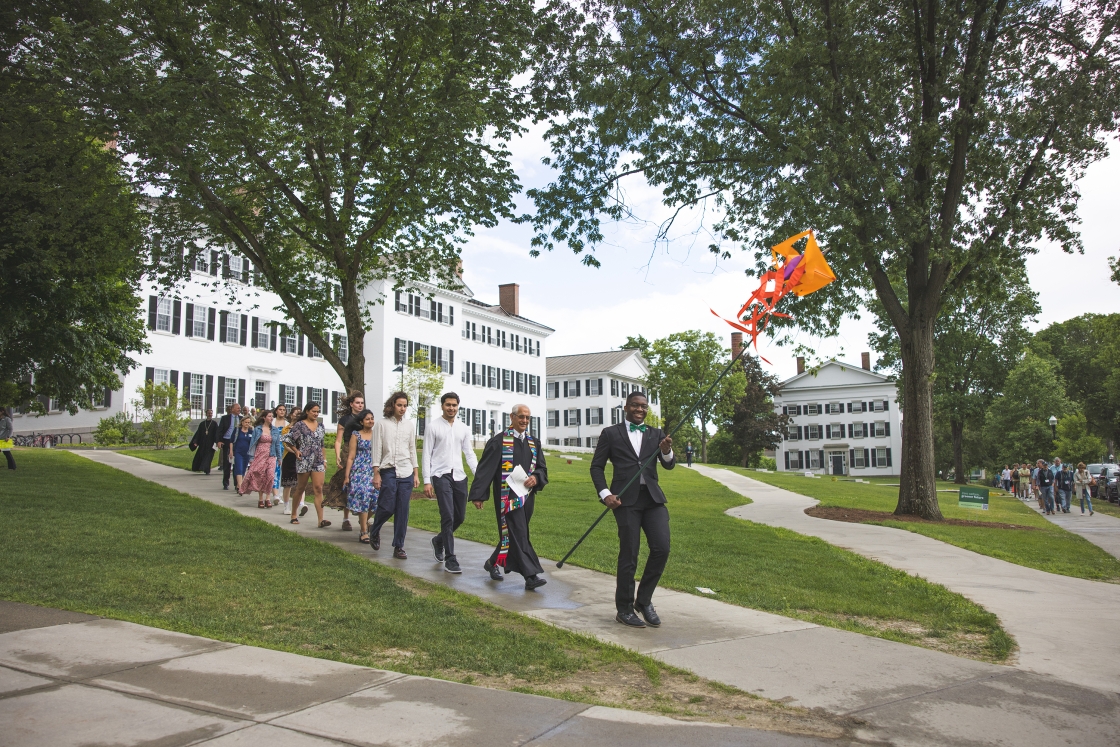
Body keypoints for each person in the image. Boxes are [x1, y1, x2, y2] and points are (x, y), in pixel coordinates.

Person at [590, 390, 675, 628]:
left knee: (662, 548)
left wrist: (666, 450)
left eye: (644, 407)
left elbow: (668, 465)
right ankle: (624, 609)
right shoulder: (611, 433)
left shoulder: (656, 434)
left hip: (653, 499)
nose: (640, 410)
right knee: (629, 553)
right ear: (626, 407)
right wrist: (605, 494)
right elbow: (596, 468)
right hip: (625, 501)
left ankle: (644, 600)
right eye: (635, 405)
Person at [469, 404, 548, 589]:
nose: (524, 421)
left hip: (526, 498)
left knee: (514, 534)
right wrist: (478, 494)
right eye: (521, 417)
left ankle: (492, 562)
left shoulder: (533, 443)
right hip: (507, 498)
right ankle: (531, 576)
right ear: (511, 417)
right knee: (519, 533)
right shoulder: (499, 442)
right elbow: (485, 469)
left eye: (528, 418)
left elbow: (542, 468)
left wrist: (536, 478)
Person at [422, 392, 479, 574]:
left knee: (459, 517)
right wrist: (426, 481)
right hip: (440, 475)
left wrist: (478, 475)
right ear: (442, 406)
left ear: (457, 406)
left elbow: (469, 453)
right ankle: (450, 558)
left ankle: (439, 540)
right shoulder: (433, 427)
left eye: (454, 405)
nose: (451, 408)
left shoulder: (463, 428)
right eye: (448, 405)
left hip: (459, 476)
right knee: (447, 515)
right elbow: (426, 454)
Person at [370, 392, 419, 558]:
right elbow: (376, 449)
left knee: (402, 510)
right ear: (392, 405)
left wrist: (416, 473)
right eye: (399, 405)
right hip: (388, 469)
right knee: (387, 506)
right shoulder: (382, 425)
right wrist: (376, 473)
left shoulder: (409, 426)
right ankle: (375, 529)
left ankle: (399, 546)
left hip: (406, 471)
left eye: (405, 406)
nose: (402, 408)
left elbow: (412, 449)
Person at [324, 391, 366, 531]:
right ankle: (346, 518)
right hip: (348, 451)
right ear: (351, 404)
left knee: (362, 484)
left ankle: (363, 518)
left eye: (362, 403)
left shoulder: (366, 418)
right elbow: (338, 440)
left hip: (363, 452)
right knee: (346, 483)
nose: (360, 405)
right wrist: (337, 455)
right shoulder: (345, 420)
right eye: (357, 403)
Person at [287, 403, 328, 526]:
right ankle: (294, 514)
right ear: (307, 411)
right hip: (304, 459)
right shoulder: (299, 425)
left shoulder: (320, 426)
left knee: (318, 488)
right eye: (313, 411)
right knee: (301, 488)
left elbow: (322, 444)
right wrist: (296, 450)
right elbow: (288, 439)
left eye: (317, 411)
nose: (316, 414)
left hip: (318, 460)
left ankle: (321, 520)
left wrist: (324, 459)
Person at [343, 409, 378, 543]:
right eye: (368, 419)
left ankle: (363, 520)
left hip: (374, 469)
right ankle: (363, 531)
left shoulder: (377, 435)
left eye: (372, 418)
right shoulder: (356, 435)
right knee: (364, 497)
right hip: (359, 470)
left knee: (376, 499)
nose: (370, 421)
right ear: (361, 421)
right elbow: (351, 457)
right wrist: (347, 476)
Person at [241, 410, 283, 508]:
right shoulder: (258, 429)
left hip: (271, 454)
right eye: (269, 416)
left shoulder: (275, 430)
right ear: (264, 417)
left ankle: (268, 498)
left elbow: (277, 444)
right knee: (260, 475)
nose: (271, 418)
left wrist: (279, 458)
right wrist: (251, 458)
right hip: (260, 454)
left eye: (272, 416)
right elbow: (253, 443)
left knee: (270, 476)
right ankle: (261, 499)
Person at [215, 403, 242, 490]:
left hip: (237, 443)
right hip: (226, 441)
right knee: (227, 463)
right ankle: (225, 483)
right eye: (238, 408)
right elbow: (219, 430)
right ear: (232, 409)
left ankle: (237, 484)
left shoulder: (241, 419)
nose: (239, 410)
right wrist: (219, 441)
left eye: (240, 408)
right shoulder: (225, 418)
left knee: (237, 463)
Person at [188, 409, 218, 474]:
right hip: (203, 443)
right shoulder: (202, 424)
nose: (210, 414)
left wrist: (216, 442)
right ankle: (200, 468)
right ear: (206, 414)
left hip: (211, 443)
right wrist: (195, 442)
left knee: (208, 457)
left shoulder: (214, 424)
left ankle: (207, 470)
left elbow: (216, 434)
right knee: (201, 456)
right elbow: (198, 434)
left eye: (211, 413)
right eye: (209, 413)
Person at [271, 404, 289, 507]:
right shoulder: (272, 422)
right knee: (274, 471)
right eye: (280, 409)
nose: (282, 411)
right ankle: (275, 495)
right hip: (273, 450)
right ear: (276, 411)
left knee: (282, 472)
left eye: (283, 410)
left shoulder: (287, 424)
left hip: (284, 450)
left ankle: (280, 494)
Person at [232, 416, 254, 493]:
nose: (247, 424)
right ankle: (241, 487)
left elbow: (253, 443)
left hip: (247, 453)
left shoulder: (251, 432)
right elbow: (232, 441)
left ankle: (238, 486)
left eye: (248, 422)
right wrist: (231, 451)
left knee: (244, 469)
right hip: (238, 452)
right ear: (242, 422)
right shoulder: (237, 430)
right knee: (239, 468)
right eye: (246, 422)